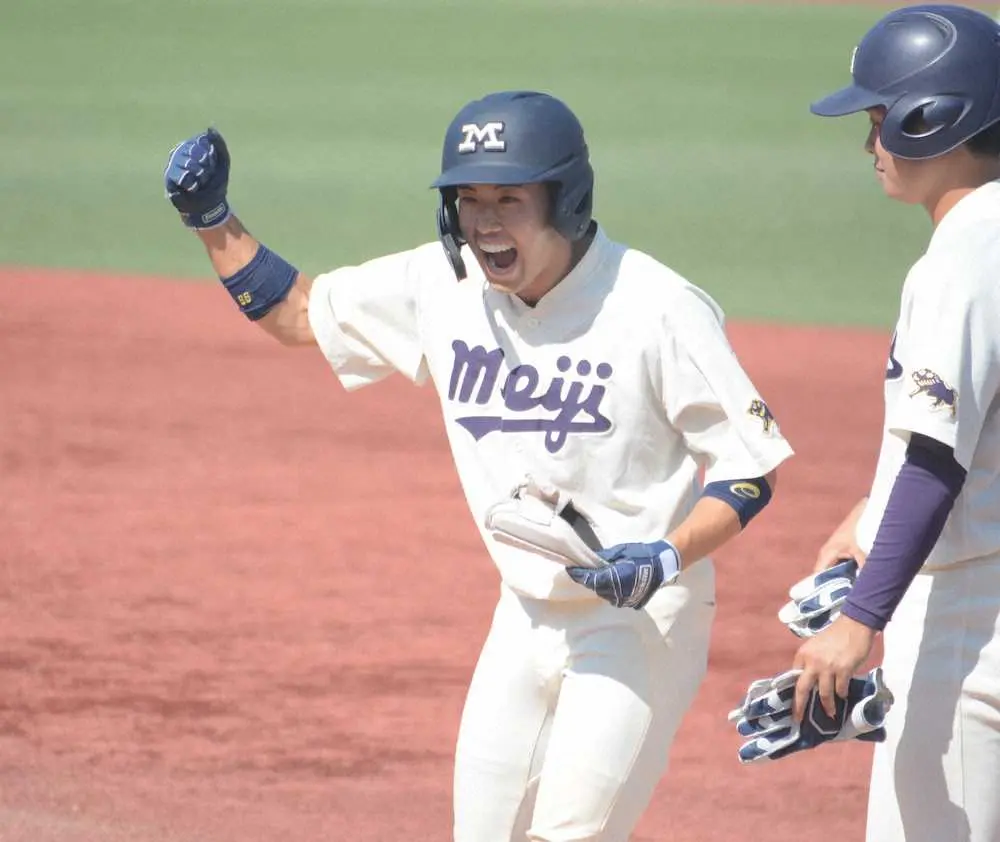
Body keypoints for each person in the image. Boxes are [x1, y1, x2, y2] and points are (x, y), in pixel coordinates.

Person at [162, 90, 793, 842]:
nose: (485, 222)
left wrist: (665, 556)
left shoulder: (657, 306)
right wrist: (210, 218)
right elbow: (299, 314)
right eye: (468, 200)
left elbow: (749, 470)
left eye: (508, 200)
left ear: (566, 201)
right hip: (522, 613)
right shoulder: (445, 284)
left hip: (640, 618)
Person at [781, 5, 1000, 841]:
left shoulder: (961, 258)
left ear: (931, 117)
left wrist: (859, 620)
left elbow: (937, 462)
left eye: (878, 118)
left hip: (968, 621)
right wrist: (869, 516)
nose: (869, 142)